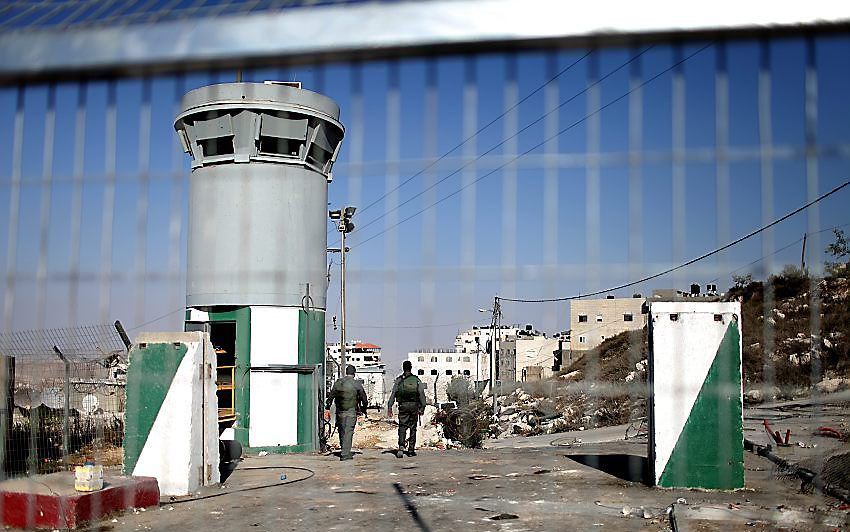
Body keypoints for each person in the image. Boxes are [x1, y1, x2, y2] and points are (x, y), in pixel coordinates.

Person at [326, 364, 367, 461]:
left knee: (342, 431)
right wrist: (364, 409)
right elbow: (364, 399)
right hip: (351, 412)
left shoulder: (338, 382)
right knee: (348, 432)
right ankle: (345, 453)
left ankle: (343, 449)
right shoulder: (356, 384)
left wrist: (327, 408)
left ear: (346, 372)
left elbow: (331, 396)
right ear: (354, 373)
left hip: (339, 412)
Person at [386, 361, 427, 458]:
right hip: (414, 407)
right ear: (411, 368)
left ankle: (401, 447)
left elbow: (393, 394)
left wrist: (389, 407)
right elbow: (421, 394)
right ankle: (411, 450)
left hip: (403, 406)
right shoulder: (416, 380)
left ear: (403, 368)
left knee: (402, 427)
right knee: (413, 428)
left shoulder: (399, 380)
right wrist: (422, 407)